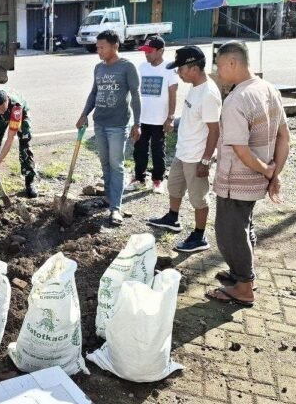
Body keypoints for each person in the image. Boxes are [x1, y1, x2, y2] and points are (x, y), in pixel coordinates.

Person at [205, 41, 290, 307]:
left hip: (236, 180)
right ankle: (242, 275)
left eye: (218, 65)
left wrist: (267, 170)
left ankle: (243, 287)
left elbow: (240, 149)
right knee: (244, 226)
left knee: (230, 232)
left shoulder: (236, 100)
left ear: (232, 62)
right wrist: (274, 173)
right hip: (256, 180)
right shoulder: (268, 88)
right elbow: (284, 136)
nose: (217, 72)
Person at [148, 46, 221, 252]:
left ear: (194, 68)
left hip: (197, 156)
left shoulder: (208, 94)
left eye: (180, 69)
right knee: (175, 186)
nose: (178, 73)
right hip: (184, 150)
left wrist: (206, 161)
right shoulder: (195, 86)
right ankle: (172, 218)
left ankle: (199, 236)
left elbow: (215, 131)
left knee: (198, 197)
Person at [76, 30, 141, 225]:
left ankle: (116, 208)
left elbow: (136, 96)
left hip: (118, 125)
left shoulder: (127, 67)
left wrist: (137, 124)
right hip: (100, 123)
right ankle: (108, 197)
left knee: (116, 165)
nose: (99, 51)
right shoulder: (99, 68)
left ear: (115, 46)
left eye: (102, 47)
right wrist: (84, 114)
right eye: (97, 47)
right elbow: (94, 93)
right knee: (105, 163)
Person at [126, 35, 178, 193]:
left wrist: (170, 118)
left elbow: (173, 94)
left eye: (149, 51)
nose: (146, 54)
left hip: (160, 120)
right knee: (139, 149)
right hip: (142, 118)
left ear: (160, 51)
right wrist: (134, 119)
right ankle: (139, 178)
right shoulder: (142, 67)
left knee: (158, 150)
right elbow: (135, 94)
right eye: (145, 51)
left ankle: (157, 180)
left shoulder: (170, 68)